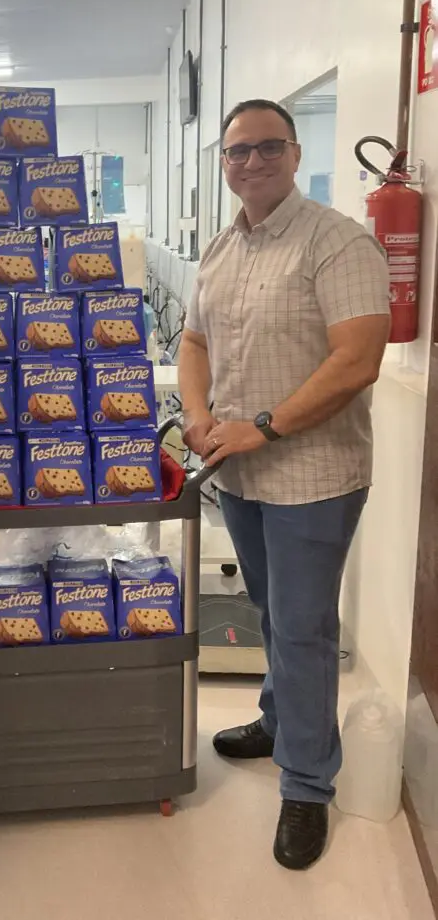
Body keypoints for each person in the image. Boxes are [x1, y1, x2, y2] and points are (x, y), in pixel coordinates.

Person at [178, 99, 390, 871]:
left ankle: (306, 784)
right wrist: (198, 413)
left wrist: (262, 427)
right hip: (240, 473)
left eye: (269, 147)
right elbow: (194, 340)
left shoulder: (338, 241)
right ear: (224, 164)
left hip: (313, 476)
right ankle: (279, 721)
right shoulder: (220, 248)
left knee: (303, 629)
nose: (253, 162)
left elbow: (358, 359)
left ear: (296, 154)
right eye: (238, 151)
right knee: (271, 613)